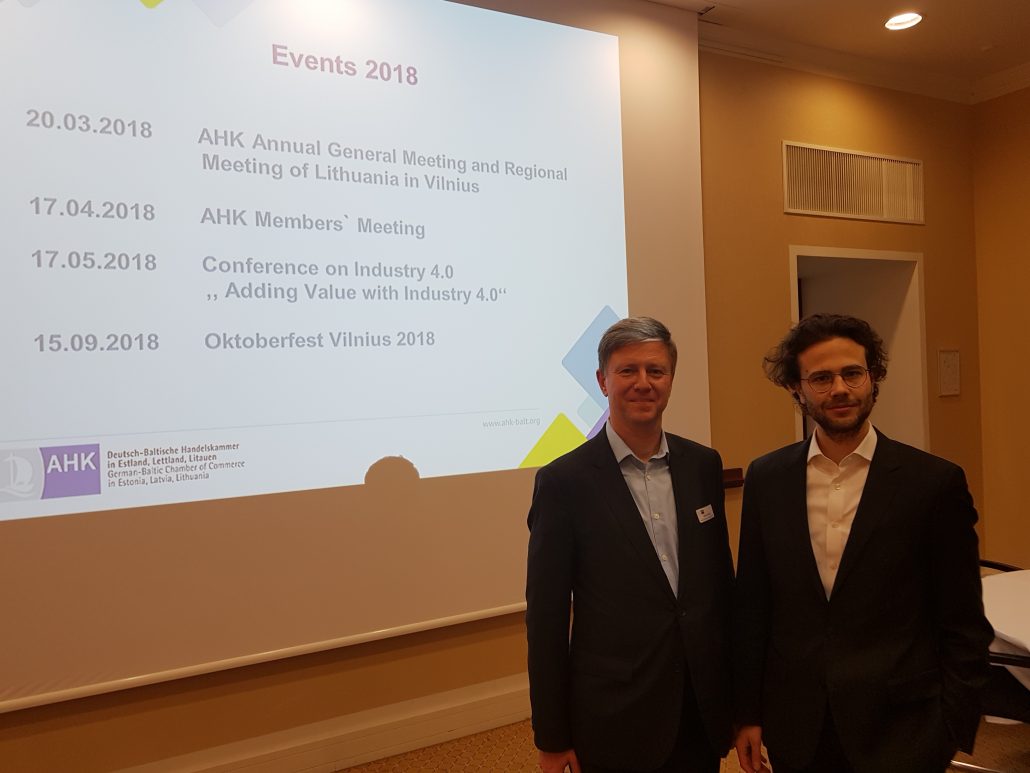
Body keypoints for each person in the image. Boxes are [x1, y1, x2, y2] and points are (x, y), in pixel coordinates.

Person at [733, 313, 993, 773]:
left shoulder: (933, 483)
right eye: (821, 378)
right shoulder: (767, 479)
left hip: (903, 729)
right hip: (797, 727)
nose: (840, 389)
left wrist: (952, 726)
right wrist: (747, 714)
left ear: (873, 379)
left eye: (852, 373)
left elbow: (962, 619)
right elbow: (755, 606)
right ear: (796, 389)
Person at [526, 316, 734, 773]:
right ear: (603, 381)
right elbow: (546, 619)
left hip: (699, 705)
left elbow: (719, 587)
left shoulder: (702, 465)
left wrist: (738, 702)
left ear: (671, 379)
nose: (643, 383)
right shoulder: (564, 482)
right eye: (627, 370)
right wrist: (552, 735)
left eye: (656, 371)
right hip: (616, 711)